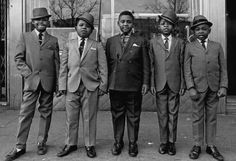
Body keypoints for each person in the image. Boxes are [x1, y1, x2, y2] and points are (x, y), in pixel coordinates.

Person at [4, 7, 60, 161]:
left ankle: (42, 142)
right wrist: (28, 74)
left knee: (46, 113)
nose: (41, 22)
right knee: (25, 114)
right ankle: (20, 146)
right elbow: (18, 58)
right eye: (38, 19)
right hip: (31, 82)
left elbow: (57, 63)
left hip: (48, 82)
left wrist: (57, 85)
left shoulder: (53, 40)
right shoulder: (25, 37)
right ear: (33, 22)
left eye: (44, 19)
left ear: (47, 21)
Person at [56, 12, 108, 158]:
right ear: (76, 27)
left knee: (89, 117)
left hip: (90, 87)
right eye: (81, 25)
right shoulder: (69, 45)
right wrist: (62, 85)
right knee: (71, 118)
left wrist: (103, 85)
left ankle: (89, 145)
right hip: (72, 86)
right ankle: (70, 143)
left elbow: (103, 67)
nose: (84, 28)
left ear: (92, 30)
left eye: (88, 26)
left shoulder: (96, 46)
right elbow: (63, 67)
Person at [105, 10, 150, 157]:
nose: (125, 24)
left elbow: (146, 64)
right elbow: (106, 65)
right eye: (123, 21)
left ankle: (132, 143)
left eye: (128, 22)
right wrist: (106, 83)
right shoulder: (111, 41)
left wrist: (145, 82)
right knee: (117, 115)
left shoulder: (141, 40)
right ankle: (118, 141)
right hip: (115, 84)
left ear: (133, 24)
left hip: (134, 84)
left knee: (133, 115)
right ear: (118, 23)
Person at [184, 15, 228, 161]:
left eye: (204, 28)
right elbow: (186, 69)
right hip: (197, 88)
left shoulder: (217, 46)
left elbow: (223, 68)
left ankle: (211, 145)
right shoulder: (189, 47)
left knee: (211, 117)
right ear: (193, 32)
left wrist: (223, 86)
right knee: (197, 117)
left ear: (209, 30)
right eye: (197, 29)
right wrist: (190, 87)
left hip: (214, 88)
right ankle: (197, 145)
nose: (201, 31)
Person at [149, 10, 185, 156]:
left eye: (169, 24)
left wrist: (182, 84)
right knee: (162, 114)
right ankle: (163, 142)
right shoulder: (152, 42)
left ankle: (172, 142)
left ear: (173, 27)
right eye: (163, 24)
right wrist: (151, 83)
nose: (165, 26)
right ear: (159, 26)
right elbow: (151, 65)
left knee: (173, 114)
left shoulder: (180, 42)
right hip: (159, 83)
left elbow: (182, 64)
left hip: (175, 83)